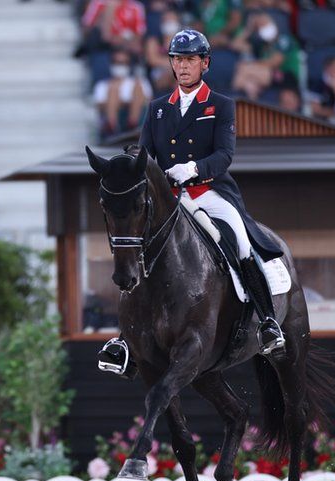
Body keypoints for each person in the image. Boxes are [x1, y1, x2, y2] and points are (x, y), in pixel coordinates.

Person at [98, 29, 287, 372]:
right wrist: (132, 160)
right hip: (168, 198)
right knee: (138, 249)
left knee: (240, 241)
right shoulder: (157, 110)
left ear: (204, 64)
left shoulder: (221, 106)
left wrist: (194, 168)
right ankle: (124, 339)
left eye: (189, 60)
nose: (182, 66)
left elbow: (225, 156)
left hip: (209, 192)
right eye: (177, 60)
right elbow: (145, 154)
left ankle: (267, 322)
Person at [230, 12, 300, 100]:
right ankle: (251, 104)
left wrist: (249, 65)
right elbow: (235, 44)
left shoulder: (284, 39)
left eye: (265, 23)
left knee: (244, 69)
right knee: (249, 83)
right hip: (268, 74)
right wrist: (249, 29)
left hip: (287, 76)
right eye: (259, 26)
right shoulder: (262, 45)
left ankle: (230, 101)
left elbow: (274, 63)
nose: (263, 26)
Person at [92, 48, 151, 135]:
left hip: (139, 116)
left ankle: (133, 125)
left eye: (124, 63)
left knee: (138, 88)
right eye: (117, 63)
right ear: (111, 64)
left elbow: (149, 102)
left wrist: (125, 104)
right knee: (113, 91)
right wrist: (122, 103)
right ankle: (112, 127)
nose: (120, 66)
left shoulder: (140, 82)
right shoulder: (102, 85)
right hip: (113, 117)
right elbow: (100, 106)